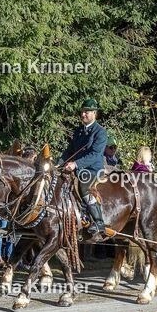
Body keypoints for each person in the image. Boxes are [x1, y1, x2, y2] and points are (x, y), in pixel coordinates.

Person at [58, 98, 109, 237]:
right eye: (82, 112)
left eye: (86, 112)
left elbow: (94, 154)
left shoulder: (100, 132)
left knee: (84, 186)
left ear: (94, 113)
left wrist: (75, 164)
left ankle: (99, 223)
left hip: (93, 169)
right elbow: (69, 150)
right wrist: (58, 163)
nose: (83, 115)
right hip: (77, 168)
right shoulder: (78, 131)